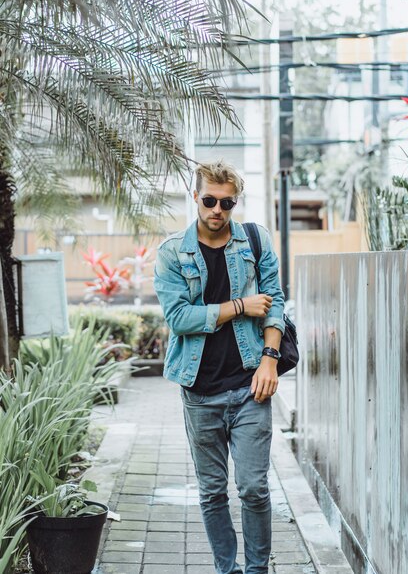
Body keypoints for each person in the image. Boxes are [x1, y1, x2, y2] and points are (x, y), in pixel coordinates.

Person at [154, 160, 285, 574]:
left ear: (234, 202)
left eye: (226, 203)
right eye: (209, 200)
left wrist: (270, 359)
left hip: (250, 385)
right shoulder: (173, 252)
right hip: (200, 391)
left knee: (253, 488)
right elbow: (178, 318)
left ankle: (257, 570)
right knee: (212, 492)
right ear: (195, 197)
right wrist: (239, 306)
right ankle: (226, 570)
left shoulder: (255, 240)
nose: (217, 210)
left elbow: (275, 301)